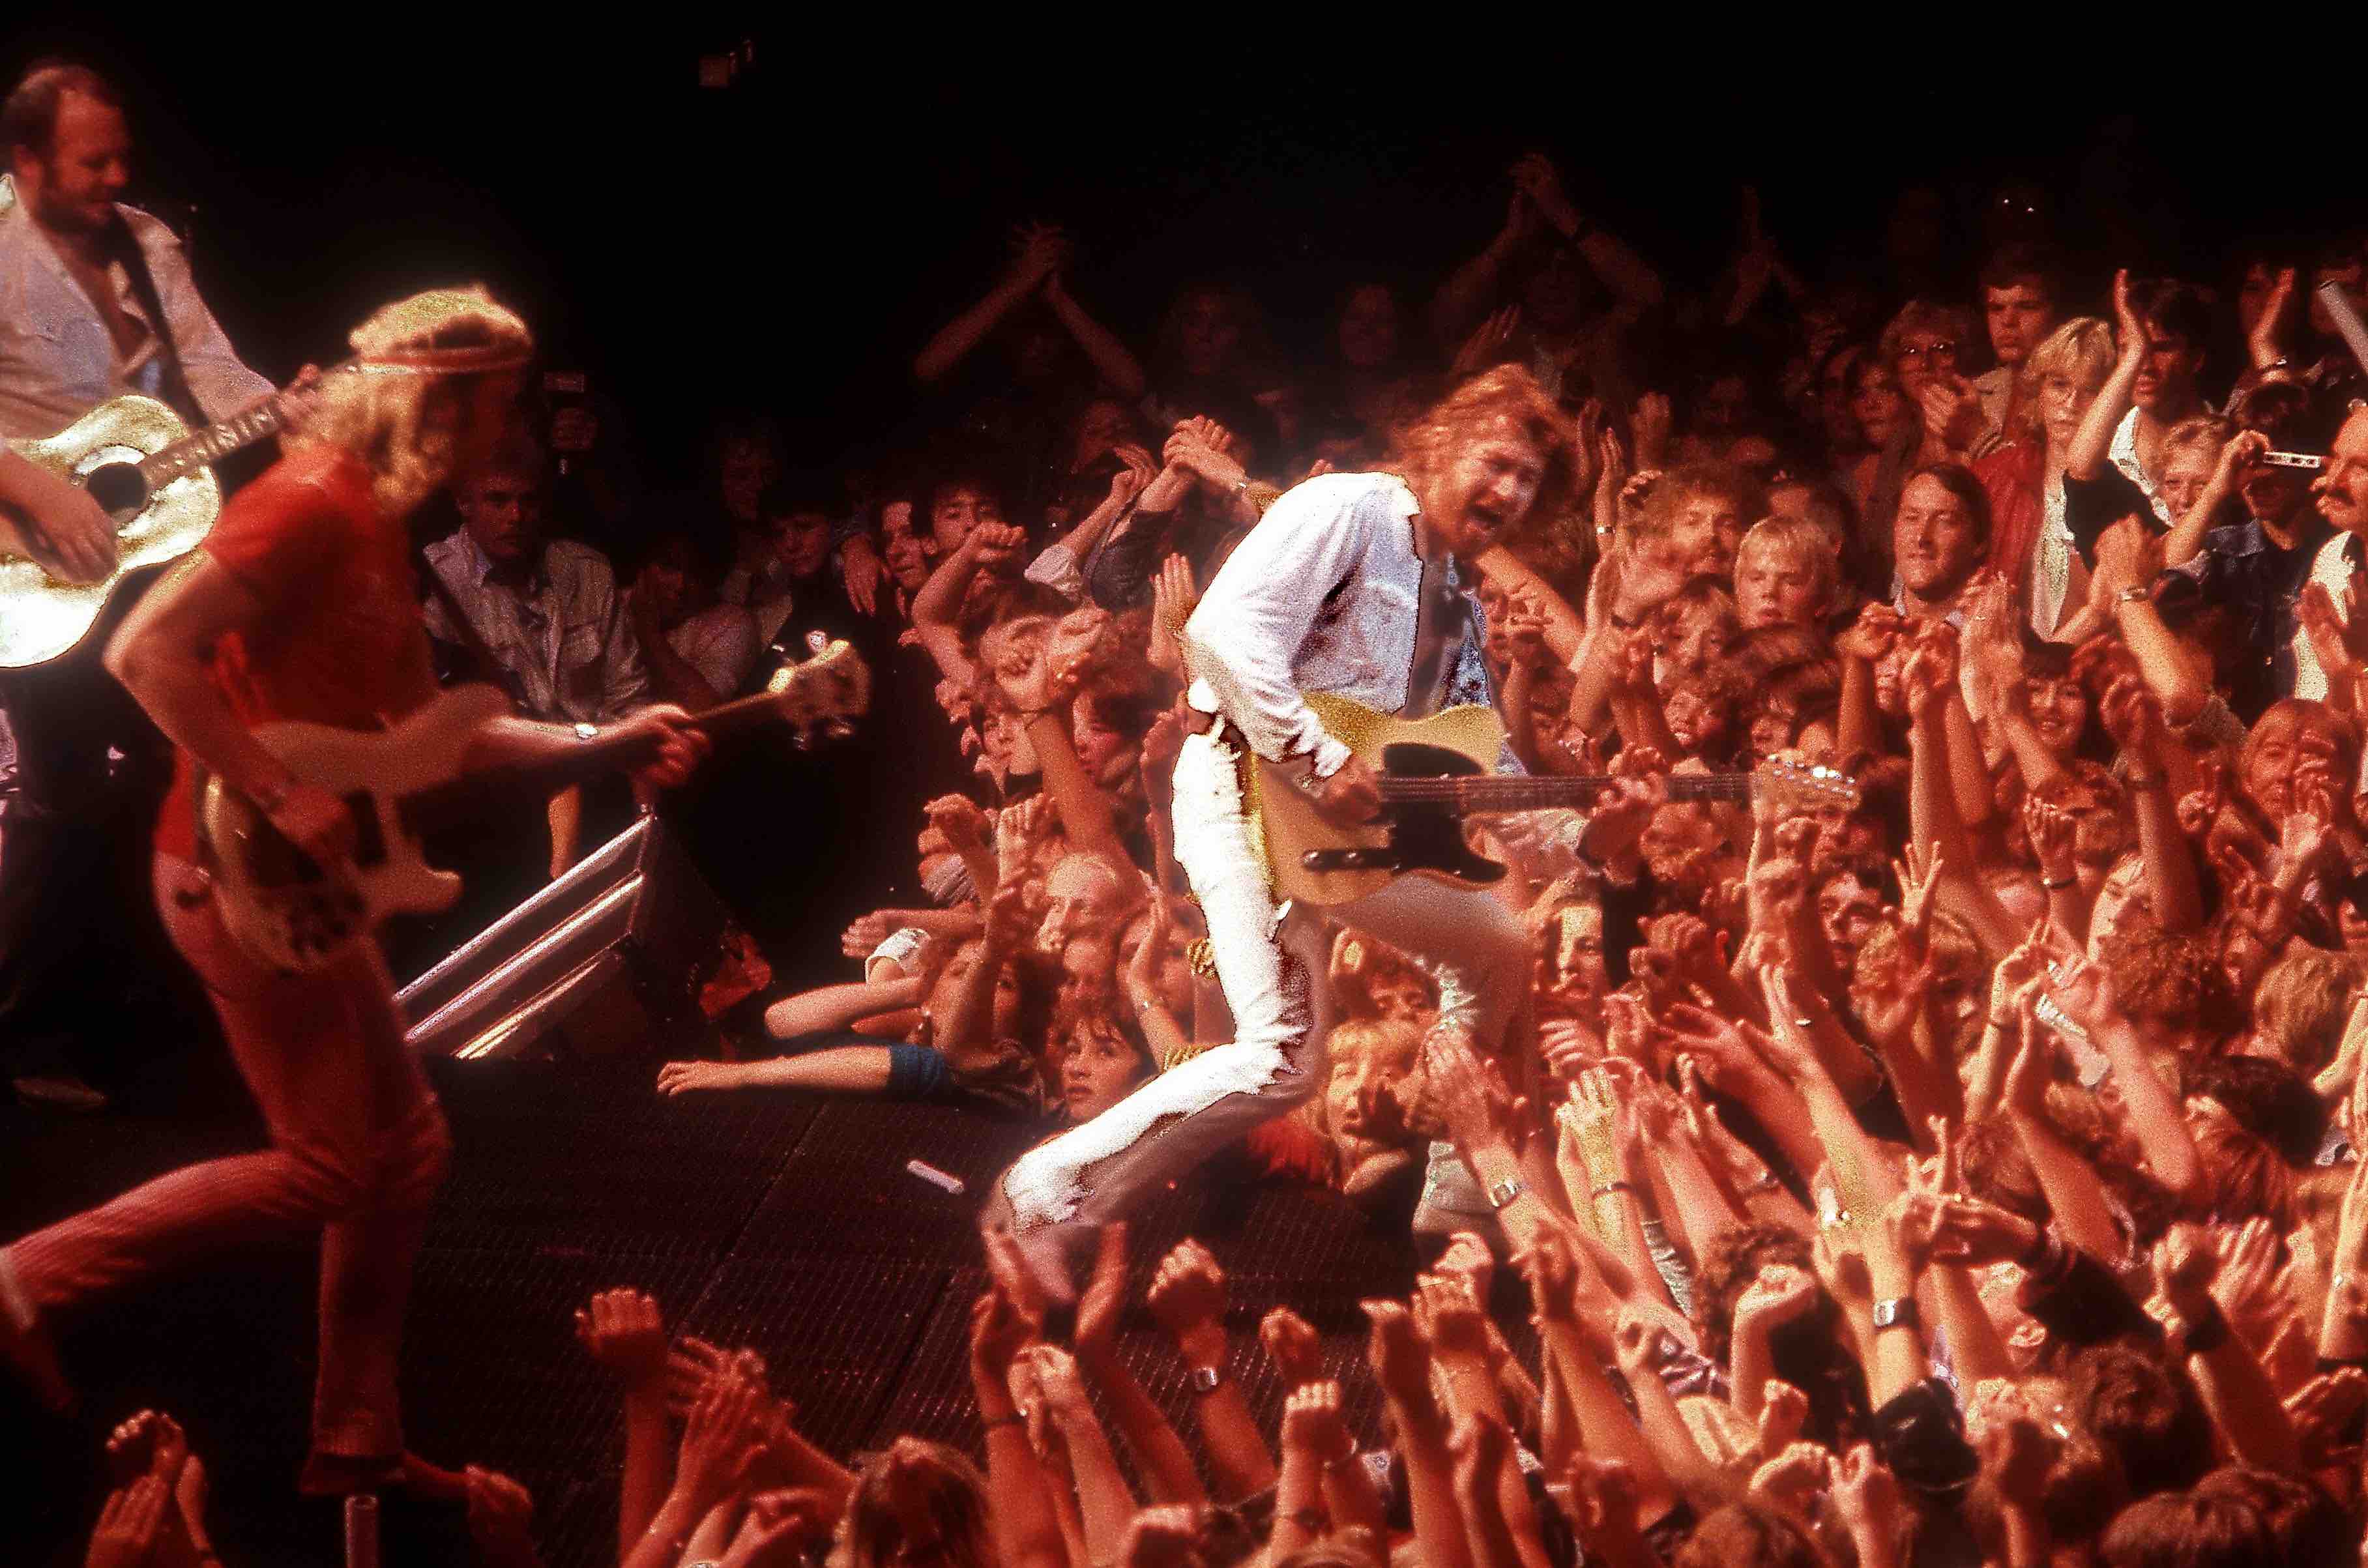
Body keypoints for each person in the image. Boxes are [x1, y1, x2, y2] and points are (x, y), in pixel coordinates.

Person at [0, 288, 705, 1490]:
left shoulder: (378, 521)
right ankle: (23, 1278)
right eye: (500, 404)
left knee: (409, 1148)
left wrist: (606, 737)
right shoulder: (310, 503)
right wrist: (276, 791)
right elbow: (144, 651)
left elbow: (427, 741)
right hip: (233, 873)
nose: (513, 431)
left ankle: (353, 1437)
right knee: (332, 1166)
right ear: (442, 400)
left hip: (297, 884)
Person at [981, 365, 1579, 1298]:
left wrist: (1590, 828)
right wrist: (1317, 757)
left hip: (1331, 834)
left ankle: (1458, 1201)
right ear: (1440, 446)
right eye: (1497, 463)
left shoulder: (1456, 603)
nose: (1508, 491)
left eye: (1528, 483)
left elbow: (1485, 771)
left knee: (1498, 946)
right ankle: (1039, 1199)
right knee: (1283, 1055)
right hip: (1240, 785)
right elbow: (1221, 630)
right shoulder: (1351, 506)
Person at [0, 61, 280, 1111]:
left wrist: (285, 407)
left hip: (149, 543)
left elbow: (210, 373)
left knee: (187, 768)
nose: (116, 174)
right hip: (31, 553)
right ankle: (26, 1035)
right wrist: (32, 484)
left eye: (123, 154)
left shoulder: (148, 244)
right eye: (91, 159)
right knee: (66, 787)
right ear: (26, 159)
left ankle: (170, 1022)